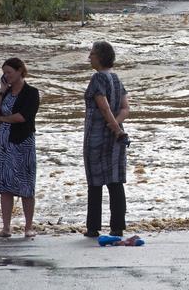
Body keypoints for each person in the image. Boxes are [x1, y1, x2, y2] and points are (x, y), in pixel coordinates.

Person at [83, 41, 130, 238]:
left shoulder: (97, 79)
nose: (89, 57)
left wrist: (112, 127)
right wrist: (116, 126)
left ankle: (93, 227)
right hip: (115, 137)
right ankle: (117, 226)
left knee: (95, 182)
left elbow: (103, 107)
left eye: (92, 54)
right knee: (115, 181)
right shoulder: (117, 79)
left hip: (96, 136)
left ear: (100, 57)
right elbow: (125, 108)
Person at [0, 57, 40, 238]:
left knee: (26, 186)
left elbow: (22, 117)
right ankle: (6, 227)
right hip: (3, 144)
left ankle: (28, 227)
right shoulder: (7, 93)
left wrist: (2, 119)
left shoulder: (31, 93)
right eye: (4, 73)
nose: (6, 76)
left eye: (9, 72)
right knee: (5, 186)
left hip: (22, 142)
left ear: (20, 71)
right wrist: (1, 91)